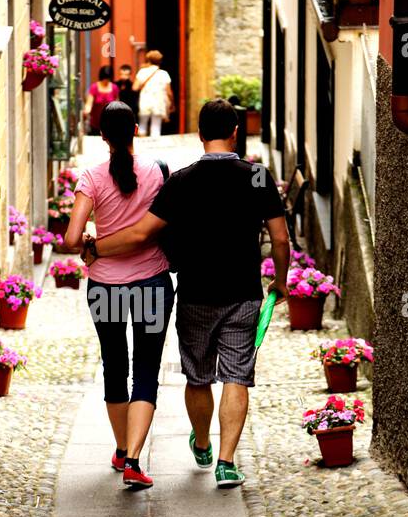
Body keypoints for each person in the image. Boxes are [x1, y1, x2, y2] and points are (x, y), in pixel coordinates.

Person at [82, 98, 290, 489]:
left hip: (195, 293)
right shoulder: (259, 176)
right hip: (244, 292)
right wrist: (281, 280)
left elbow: (147, 233)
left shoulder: (181, 179)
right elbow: (280, 238)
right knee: (237, 376)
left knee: (198, 377)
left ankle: (202, 442)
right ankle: (226, 462)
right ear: (234, 133)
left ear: (199, 134)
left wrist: (97, 249)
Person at [62, 101, 174, 491]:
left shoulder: (90, 178)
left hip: (105, 287)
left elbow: (73, 238)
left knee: (115, 367)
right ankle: (134, 460)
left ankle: (122, 447)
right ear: (135, 132)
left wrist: (93, 241)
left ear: (103, 136)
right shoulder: (158, 172)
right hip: (152, 284)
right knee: (146, 370)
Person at [133, 50, 173, 138]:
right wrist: (172, 103)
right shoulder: (164, 74)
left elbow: (135, 87)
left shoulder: (142, 72)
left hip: (145, 101)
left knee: (142, 126)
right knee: (156, 128)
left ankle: (142, 147)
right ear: (160, 61)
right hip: (158, 102)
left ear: (148, 60)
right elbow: (169, 92)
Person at [83, 65, 118, 135]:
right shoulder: (94, 87)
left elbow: (116, 104)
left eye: (108, 79)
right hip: (95, 124)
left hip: (110, 124)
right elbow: (89, 103)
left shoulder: (114, 88)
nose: (106, 81)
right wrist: (86, 111)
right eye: (104, 78)